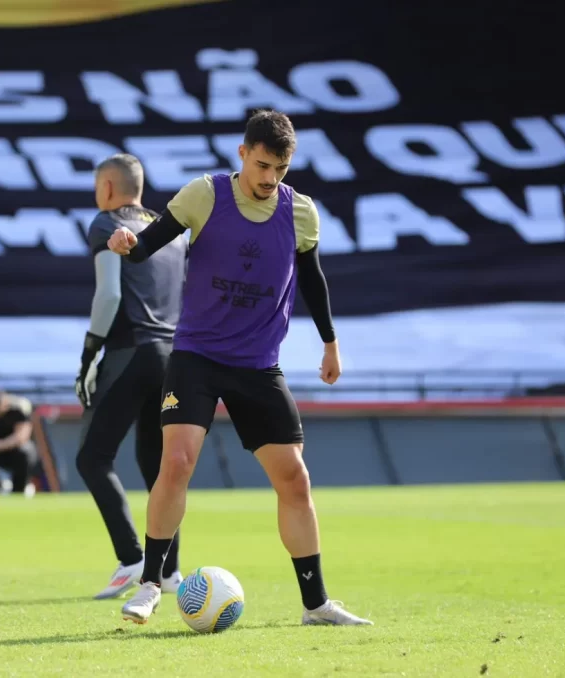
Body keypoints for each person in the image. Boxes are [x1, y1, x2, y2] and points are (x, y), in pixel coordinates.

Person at [108, 110, 373, 626]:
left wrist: (330, 343)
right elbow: (149, 245)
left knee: (295, 479)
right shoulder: (204, 195)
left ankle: (315, 604)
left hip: (258, 365)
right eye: (262, 165)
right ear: (242, 154)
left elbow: (312, 280)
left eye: (279, 168)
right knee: (178, 463)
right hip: (198, 357)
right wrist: (126, 246)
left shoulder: (301, 213)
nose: (269, 179)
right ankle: (149, 585)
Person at [75, 153, 188, 599]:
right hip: (172, 355)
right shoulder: (170, 230)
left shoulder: (105, 224)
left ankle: (131, 558)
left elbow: (110, 294)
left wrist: (88, 354)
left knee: (92, 457)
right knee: (159, 468)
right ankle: (170, 571)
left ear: (106, 187)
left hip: (129, 350)